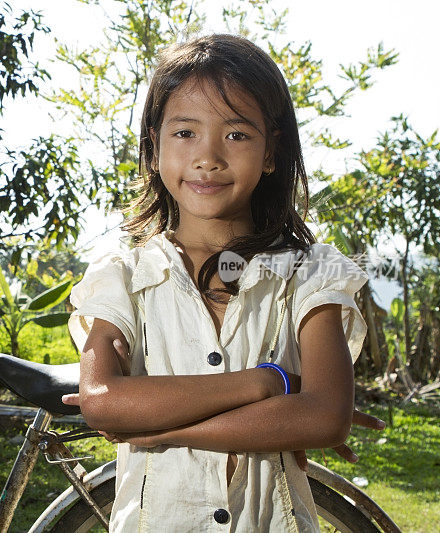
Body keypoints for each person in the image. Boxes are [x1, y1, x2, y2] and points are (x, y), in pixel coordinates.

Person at [61, 34, 385, 531]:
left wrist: (169, 426)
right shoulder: (123, 275)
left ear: (272, 152)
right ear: (153, 147)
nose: (208, 156)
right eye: (185, 132)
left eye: (236, 134)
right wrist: (270, 384)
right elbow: (103, 402)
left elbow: (325, 417)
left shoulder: (309, 273)